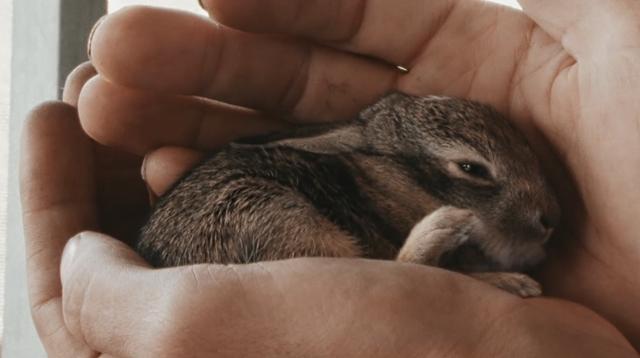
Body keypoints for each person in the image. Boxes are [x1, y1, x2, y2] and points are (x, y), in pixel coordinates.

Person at [21, 0, 640, 356]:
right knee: (239, 203)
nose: (542, 208)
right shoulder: (329, 171)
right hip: (238, 239)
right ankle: (409, 268)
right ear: (376, 159)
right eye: (473, 173)